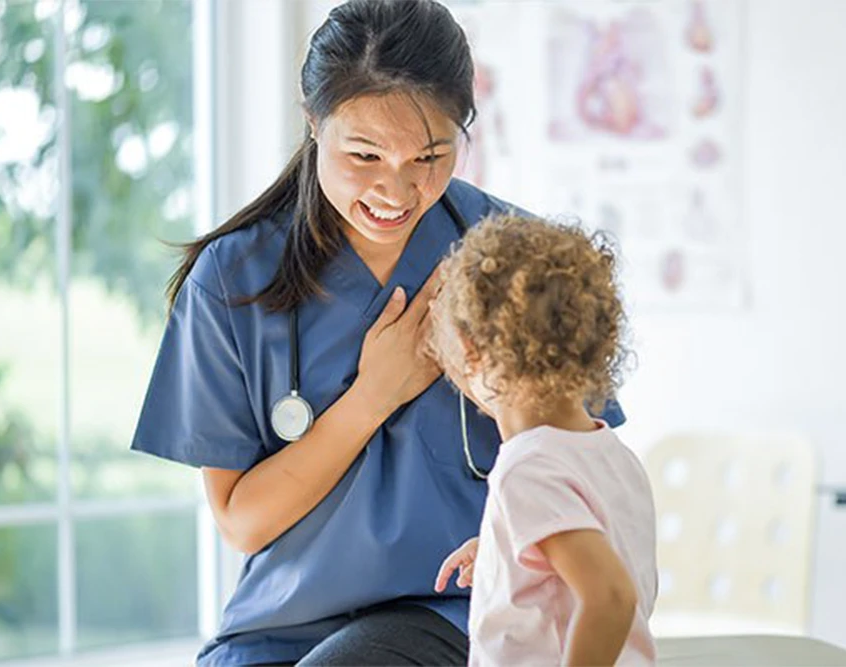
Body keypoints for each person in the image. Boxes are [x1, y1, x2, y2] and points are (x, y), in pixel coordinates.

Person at [130, 1, 625, 664]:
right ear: (313, 124)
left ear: (465, 131)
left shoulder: (515, 264)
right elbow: (242, 521)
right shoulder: (232, 280)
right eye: (364, 154)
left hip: (456, 613)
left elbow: (583, 471)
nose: (398, 189)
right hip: (277, 628)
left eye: (431, 154)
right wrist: (374, 394)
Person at [430, 215, 657, 666]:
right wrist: (504, 550)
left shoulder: (527, 468)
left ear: (469, 347)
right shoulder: (610, 454)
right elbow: (597, 550)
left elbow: (610, 596)